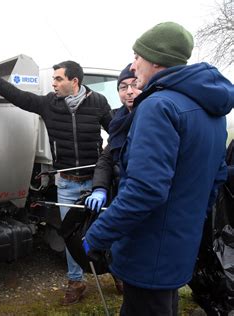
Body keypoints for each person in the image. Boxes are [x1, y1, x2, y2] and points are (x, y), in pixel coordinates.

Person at [83, 22, 234, 316]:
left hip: (149, 248)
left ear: (156, 59)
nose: (133, 64)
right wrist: (189, 219)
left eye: (137, 56)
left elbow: (146, 189)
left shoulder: (159, 106)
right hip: (178, 243)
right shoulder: (211, 111)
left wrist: (99, 234)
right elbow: (215, 177)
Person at [0, 54, 112, 305]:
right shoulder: (49, 104)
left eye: (58, 79)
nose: (53, 83)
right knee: (72, 235)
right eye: (54, 78)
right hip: (67, 183)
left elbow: (117, 133)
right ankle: (76, 281)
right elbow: (18, 96)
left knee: (107, 229)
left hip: (96, 180)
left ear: (74, 81)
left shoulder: (98, 102)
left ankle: (117, 272)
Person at [84, 64, 141, 294]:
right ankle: (123, 278)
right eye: (123, 87)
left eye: (135, 85)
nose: (129, 91)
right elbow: (107, 158)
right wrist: (99, 188)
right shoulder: (118, 119)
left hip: (141, 196)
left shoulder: (153, 114)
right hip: (121, 192)